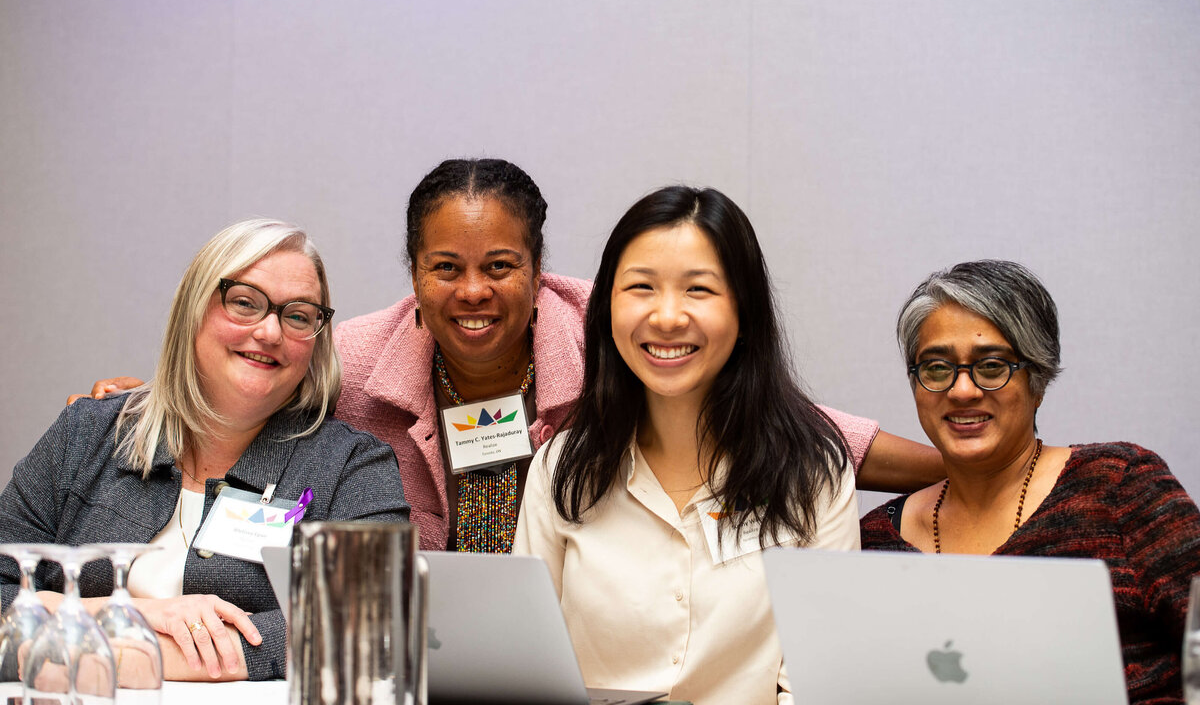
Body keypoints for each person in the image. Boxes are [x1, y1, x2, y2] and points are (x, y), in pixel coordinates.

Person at [69, 158, 944, 553]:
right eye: (445, 268)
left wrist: (955, 468)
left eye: (500, 266)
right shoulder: (361, 353)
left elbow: (788, 418)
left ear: (538, 269)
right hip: (428, 636)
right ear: (413, 272)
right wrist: (163, 394)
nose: (473, 291)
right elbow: (261, 366)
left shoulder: (615, 327)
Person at [1, 219, 407, 684]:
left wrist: (107, 655)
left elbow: (372, 622)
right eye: (244, 303)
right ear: (193, 311)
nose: (270, 332)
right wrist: (129, 615)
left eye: (298, 315)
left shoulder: (353, 467)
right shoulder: (89, 432)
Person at [514, 186, 862, 705]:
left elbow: (816, 688)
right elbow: (531, 665)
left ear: (744, 311)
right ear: (607, 305)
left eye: (698, 290)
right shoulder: (563, 467)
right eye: (641, 288)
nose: (668, 316)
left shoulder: (813, 473)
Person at [858, 259, 1200, 705]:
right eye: (936, 368)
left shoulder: (1120, 485)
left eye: (992, 366)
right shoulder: (874, 541)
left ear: (1036, 382)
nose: (961, 390)